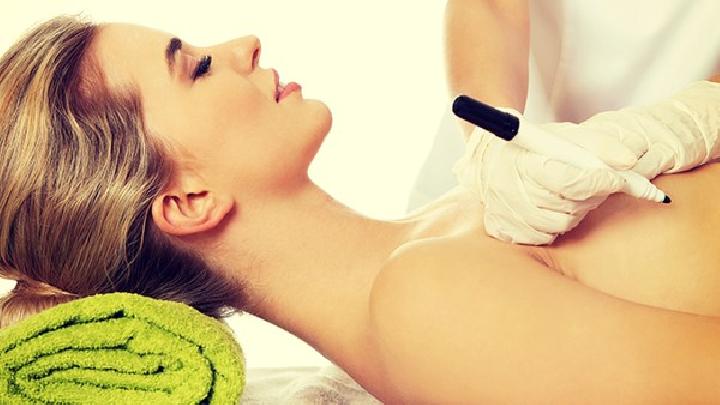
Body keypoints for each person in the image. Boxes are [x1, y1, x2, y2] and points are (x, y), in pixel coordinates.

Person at [1, 12, 720, 404]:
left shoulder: (447, 221)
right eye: (197, 66)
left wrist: (696, 112)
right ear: (190, 201)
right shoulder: (425, 305)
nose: (243, 43)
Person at [408, 0, 720, 213]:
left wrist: (688, 121)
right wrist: (491, 147)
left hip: (675, 174)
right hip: (492, 132)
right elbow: (492, 6)